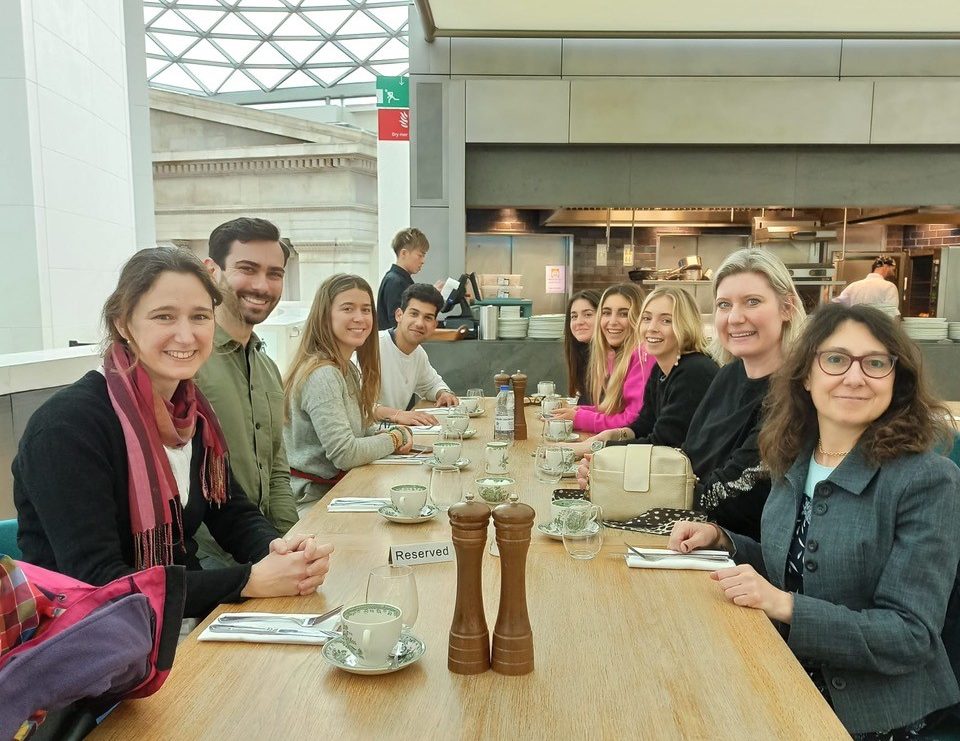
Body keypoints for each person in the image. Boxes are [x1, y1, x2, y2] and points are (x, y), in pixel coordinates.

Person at [669, 303, 960, 738]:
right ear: (807, 375)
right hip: (785, 672)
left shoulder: (926, 479)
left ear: (896, 379)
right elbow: (797, 570)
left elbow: (910, 635)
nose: (855, 376)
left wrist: (783, 605)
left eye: (876, 362)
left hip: (873, 712)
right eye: (836, 359)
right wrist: (725, 541)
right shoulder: (793, 458)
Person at [12, 247, 333, 619]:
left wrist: (282, 552)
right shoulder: (66, 429)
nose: (186, 335)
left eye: (199, 316)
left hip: (179, 619)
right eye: (164, 316)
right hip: (93, 640)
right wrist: (249, 580)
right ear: (122, 322)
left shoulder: (191, 411)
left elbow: (229, 511)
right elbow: (101, 585)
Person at [578, 248, 806, 540]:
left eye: (752, 302)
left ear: (787, 307)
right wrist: (610, 469)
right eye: (724, 305)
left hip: (733, 555)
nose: (735, 318)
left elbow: (728, 498)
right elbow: (687, 455)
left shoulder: (793, 395)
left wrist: (617, 479)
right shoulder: (728, 375)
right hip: (687, 531)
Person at [194, 218, 298, 568]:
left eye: (274, 274)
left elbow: (277, 468)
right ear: (212, 271)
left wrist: (289, 543)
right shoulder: (188, 364)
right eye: (247, 269)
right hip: (207, 569)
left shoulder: (267, 367)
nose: (262, 285)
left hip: (265, 550)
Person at [284, 274, 413, 510]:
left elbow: (361, 430)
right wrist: (396, 438)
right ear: (325, 316)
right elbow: (345, 453)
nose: (360, 318)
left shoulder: (346, 367)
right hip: (315, 501)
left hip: (340, 489)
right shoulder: (323, 374)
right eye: (347, 308)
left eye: (366, 310)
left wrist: (394, 431)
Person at [573, 286, 718, 450]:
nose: (651, 328)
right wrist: (615, 435)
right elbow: (644, 425)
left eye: (666, 320)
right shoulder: (660, 370)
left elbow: (662, 444)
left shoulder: (694, 371)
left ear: (686, 325)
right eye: (647, 318)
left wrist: (595, 447)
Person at [551, 283, 656, 433]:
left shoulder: (644, 354)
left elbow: (633, 420)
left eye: (623, 313)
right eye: (607, 313)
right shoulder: (618, 354)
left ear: (639, 317)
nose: (612, 321)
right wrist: (579, 411)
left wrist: (579, 417)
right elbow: (615, 409)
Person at [374, 283, 458, 427]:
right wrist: (398, 415)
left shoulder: (418, 353)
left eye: (428, 318)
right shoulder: (374, 348)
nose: (419, 323)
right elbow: (355, 407)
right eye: (414, 314)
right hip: (366, 439)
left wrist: (443, 393)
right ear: (399, 315)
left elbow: (431, 384)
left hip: (394, 434)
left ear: (434, 325)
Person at [377, 227, 429, 330]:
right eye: (420, 255)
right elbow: (397, 325)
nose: (423, 261)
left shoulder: (400, 280)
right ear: (404, 253)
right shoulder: (396, 282)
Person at [563, 289, 601, 405]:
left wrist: (578, 414)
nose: (579, 322)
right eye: (574, 316)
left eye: (588, 314)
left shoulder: (614, 357)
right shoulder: (582, 352)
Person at [833, 255, 900, 315]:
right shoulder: (889, 287)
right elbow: (891, 314)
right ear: (885, 267)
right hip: (876, 327)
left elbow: (836, 305)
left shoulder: (853, 286)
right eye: (893, 270)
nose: (893, 274)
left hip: (854, 326)